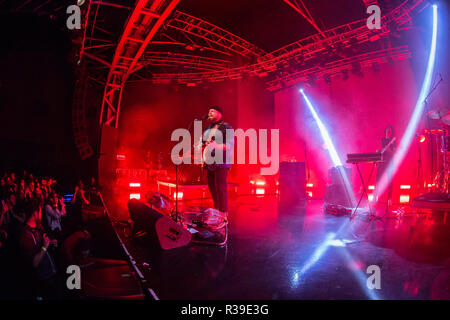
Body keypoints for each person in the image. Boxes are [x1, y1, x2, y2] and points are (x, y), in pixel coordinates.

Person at [19, 198, 59, 299]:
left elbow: (43, 245)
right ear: (35, 213)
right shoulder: (26, 235)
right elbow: (34, 263)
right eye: (40, 210)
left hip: (50, 274)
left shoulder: (38, 226)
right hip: (42, 280)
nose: (41, 213)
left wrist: (50, 243)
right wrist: (45, 247)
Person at [202, 106, 234, 223]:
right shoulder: (208, 128)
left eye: (212, 111)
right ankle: (217, 210)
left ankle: (224, 213)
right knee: (212, 187)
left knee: (221, 188)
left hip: (221, 161)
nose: (209, 112)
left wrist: (217, 145)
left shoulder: (226, 127)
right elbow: (204, 143)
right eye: (209, 111)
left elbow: (229, 145)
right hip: (210, 161)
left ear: (220, 113)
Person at [374, 125, 397, 204]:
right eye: (387, 130)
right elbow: (379, 150)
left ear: (391, 132)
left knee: (390, 181)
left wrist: (389, 150)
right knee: (377, 180)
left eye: (389, 131)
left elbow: (394, 152)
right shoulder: (382, 140)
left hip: (390, 163)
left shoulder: (393, 140)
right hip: (382, 162)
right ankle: (374, 198)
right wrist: (378, 151)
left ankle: (389, 199)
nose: (388, 132)